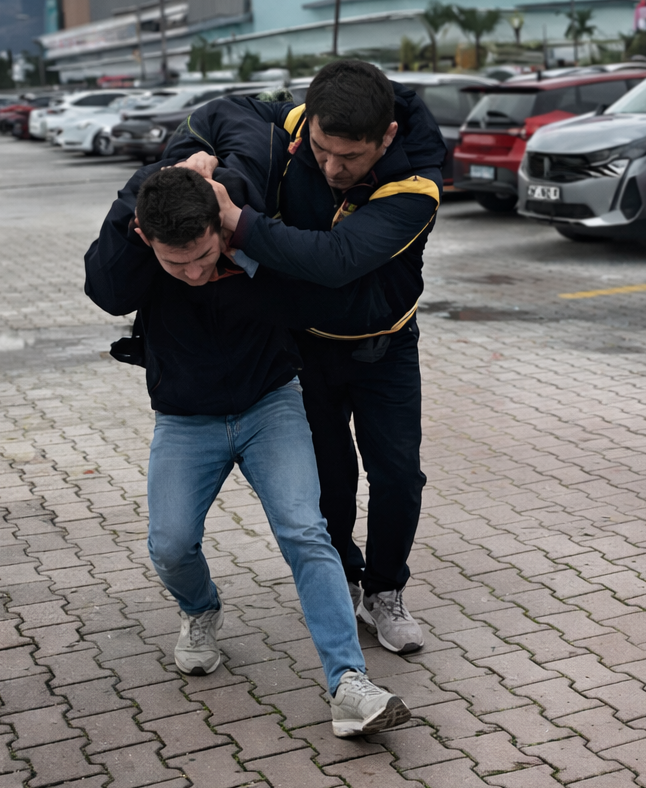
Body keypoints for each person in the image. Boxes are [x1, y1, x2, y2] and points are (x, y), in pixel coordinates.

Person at [84, 163, 410, 737]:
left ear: (220, 227)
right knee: (170, 545)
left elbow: (308, 297)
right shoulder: (141, 246)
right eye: (175, 264)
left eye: (203, 257)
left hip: (270, 405)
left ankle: (349, 683)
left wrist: (248, 247)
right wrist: (132, 204)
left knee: (305, 531)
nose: (192, 273)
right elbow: (106, 292)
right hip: (186, 419)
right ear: (147, 238)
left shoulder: (248, 227)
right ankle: (200, 610)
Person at [164, 60, 446, 656]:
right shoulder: (295, 119)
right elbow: (218, 113)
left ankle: (385, 590)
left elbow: (335, 259)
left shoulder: (416, 186)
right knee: (329, 478)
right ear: (308, 122)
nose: (332, 168)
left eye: (351, 157)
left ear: (387, 137)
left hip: (385, 348)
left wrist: (237, 221)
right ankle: (342, 575)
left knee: (398, 476)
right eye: (321, 151)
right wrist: (196, 157)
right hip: (308, 345)